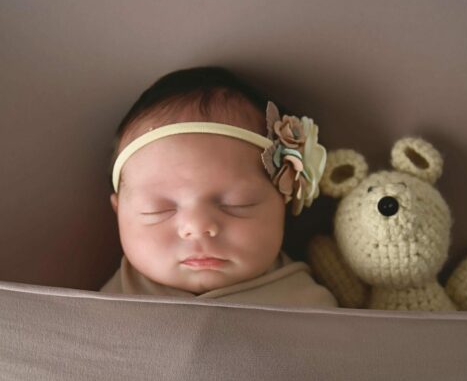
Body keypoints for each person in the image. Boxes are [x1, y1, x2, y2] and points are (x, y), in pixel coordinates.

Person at [100, 66, 337, 307]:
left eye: (236, 204)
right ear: (119, 212)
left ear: (283, 201)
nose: (198, 226)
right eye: (157, 209)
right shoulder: (101, 310)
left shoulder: (308, 307)